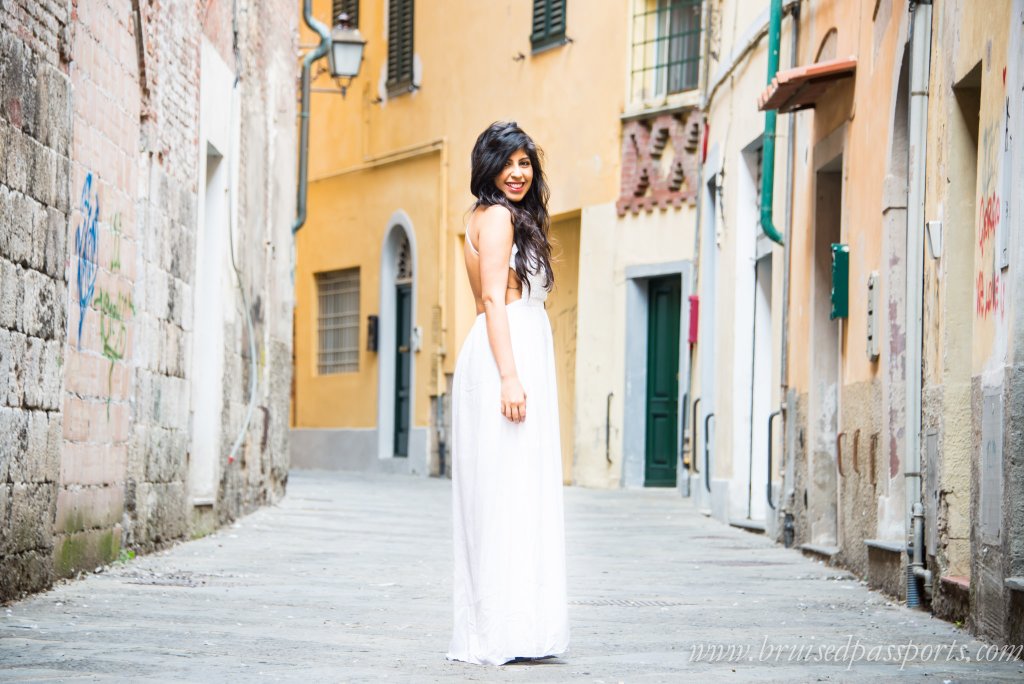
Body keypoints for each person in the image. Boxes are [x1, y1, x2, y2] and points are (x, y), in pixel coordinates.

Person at [446, 122, 570, 666]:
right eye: (508, 162)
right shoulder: (495, 217)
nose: (518, 173)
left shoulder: (486, 217)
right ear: (488, 167)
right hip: (507, 352)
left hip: (509, 349)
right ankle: (505, 630)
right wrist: (510, 377)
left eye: (526, 163)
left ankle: (510, 625)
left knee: (508, 490)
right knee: (507, 492)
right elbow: (492, 302)